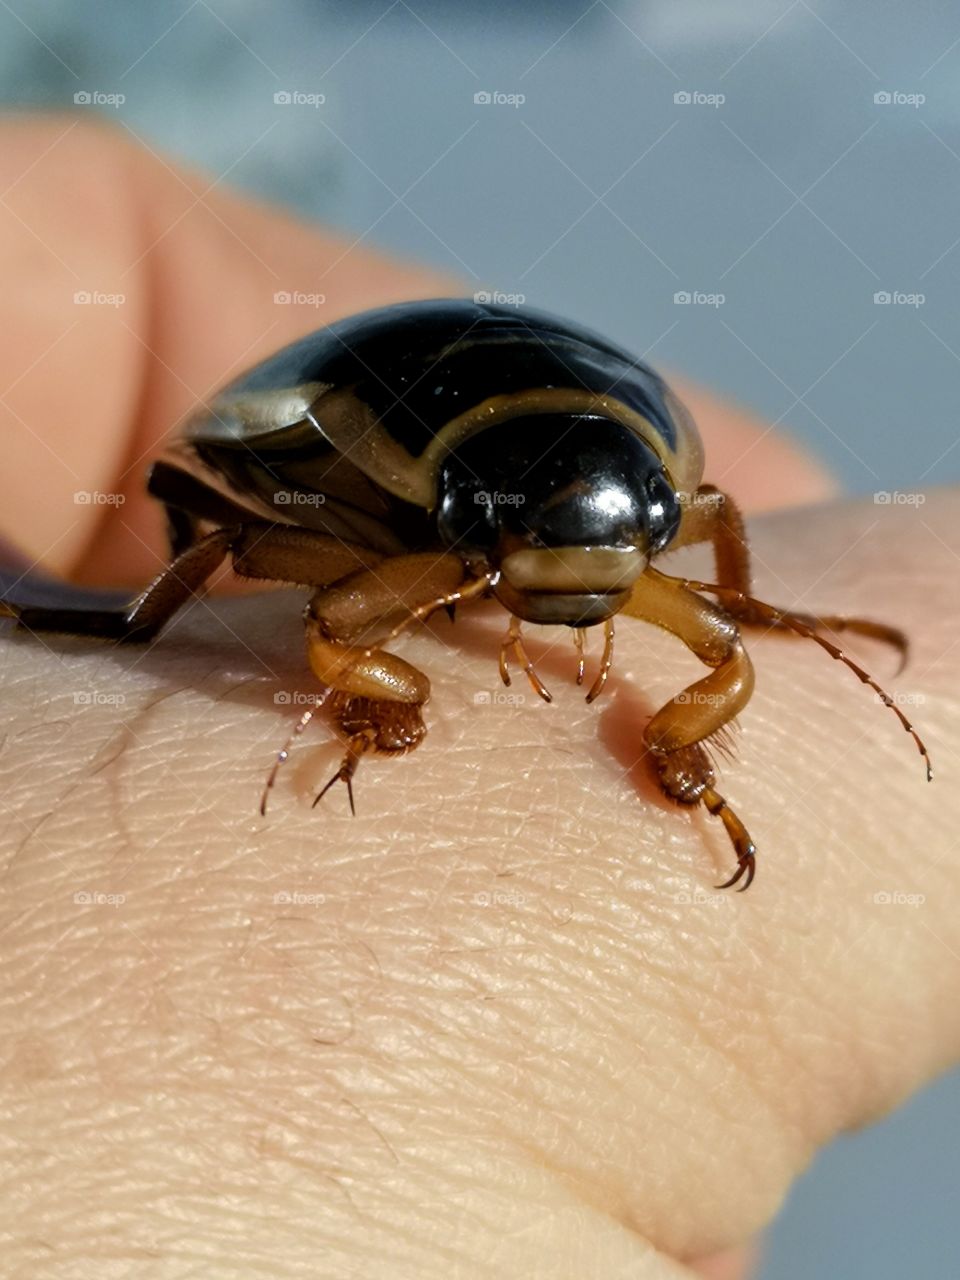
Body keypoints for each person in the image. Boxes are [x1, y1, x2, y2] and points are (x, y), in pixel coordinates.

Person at [0, 117, 955, 1280]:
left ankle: (665, 737)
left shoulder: (671, 492)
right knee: (270, 557)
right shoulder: (394, 483)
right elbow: (325, 604)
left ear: (656, 510)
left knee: (713, 645)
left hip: (485, 478)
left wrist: (692, 706)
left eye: (619, 565)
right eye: (531, 563)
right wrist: (379, 693)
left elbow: (716, 566)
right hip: (368, 471)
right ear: (463, 521)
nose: (573, 610)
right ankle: (134, 618)